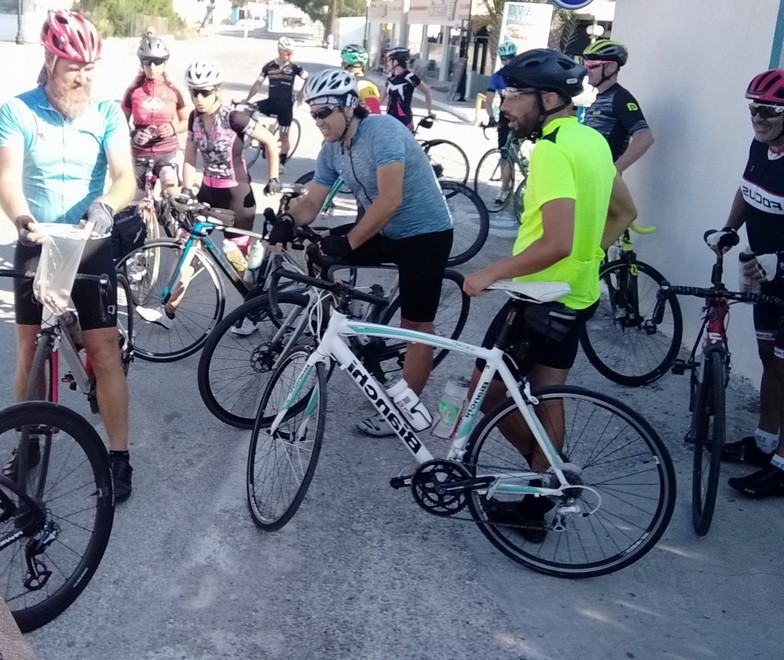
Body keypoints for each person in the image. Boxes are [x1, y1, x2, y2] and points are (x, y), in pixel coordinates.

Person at [462, 49, 637, 540]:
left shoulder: (552, 150)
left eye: (514, 95)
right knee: (545, 395)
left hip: (540, 298)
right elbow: (625, 212)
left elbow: (556, 241)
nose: (504, 106)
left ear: (550, 98)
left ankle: (549, 478)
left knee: (484, 397)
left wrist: (489, 273)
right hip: (576, 294)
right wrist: (588, 258)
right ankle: (541, 502)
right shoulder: (592, 140)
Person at [268, 68, 453, 436]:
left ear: (349, 107)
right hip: (385, 229)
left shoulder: (383, 132)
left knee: (416, 326)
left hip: (425, 234)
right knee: (317, 251)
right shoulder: (331, 149)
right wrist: (288, 220)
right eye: (313, 114)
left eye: (324, 112)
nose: (318, 121)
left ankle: (405, 412)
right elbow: (313, 203)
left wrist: (349, 241)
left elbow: (390, 199)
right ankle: (347, 325)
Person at [0, 10, 136, 501]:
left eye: (90, 68)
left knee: (103, 350)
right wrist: (21, 219)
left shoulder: (106, 113)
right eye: (74, 67)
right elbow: (7, 177)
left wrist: (106, 205)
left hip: (88, 241)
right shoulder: (18, 111)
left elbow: (125, 176)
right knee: (30, 350)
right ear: (51, 59)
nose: (83, 77)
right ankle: (30, 441)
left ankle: (118, 456)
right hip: (37, 239)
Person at [137, 58, 281, 331]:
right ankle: (168, 310)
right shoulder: (194, 118)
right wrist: (186, 188)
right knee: (188, 246)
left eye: (205, 92)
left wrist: (273, 177)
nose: (199, 99)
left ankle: (252, 310)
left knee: (236, 260)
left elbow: (270, 141)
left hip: (236, 196)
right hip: (207, 192)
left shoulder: (234, 118)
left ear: (217, 90)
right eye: (194, 92)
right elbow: (190, 156)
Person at [707, 69, 784, 499]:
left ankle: (783, 466)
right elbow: (747, 189)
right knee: (769, 358)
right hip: (765, 276)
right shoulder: (761, 146)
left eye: (770, 109)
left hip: (778, 270)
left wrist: (780, 259)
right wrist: (729, 229)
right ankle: (765, 442)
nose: (759, 116)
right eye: (754, 107)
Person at [121, 35, 188, 196]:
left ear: (165, 63)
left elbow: (187, 121)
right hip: (140, 154)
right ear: (141, 63)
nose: (152, 67)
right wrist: (134, 134)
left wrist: (173, 129)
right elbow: (120, 124)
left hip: (168, 154)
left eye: (157, 62)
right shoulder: (133, 91)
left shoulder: (174, 90)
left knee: (172, 194)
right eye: (147, 61)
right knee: (137, 201)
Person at [581, 39, 654, 173]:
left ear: (611, 67)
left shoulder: (621, 98)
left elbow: (645, 137)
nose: (587, 71)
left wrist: (614, 170)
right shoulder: (599, 97)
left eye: (593, 65)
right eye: (585, 64)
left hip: (603, 179)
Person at [241, 37, 308, 170]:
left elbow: (308, 78)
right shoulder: (269, 66)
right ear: (279, 51)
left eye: (292, 53)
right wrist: (247, 99)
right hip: (271, 102)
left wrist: (301, 93)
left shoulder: (295, 67)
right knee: (248, 110)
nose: (290, 55)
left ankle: (281, 162)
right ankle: (252, 135)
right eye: (287, 52)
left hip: (285, 106)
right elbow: (258, 84)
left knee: (284, 136)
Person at [484, 39, 518, 205]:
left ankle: (505, 190)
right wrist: (491, 117)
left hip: (511, 117)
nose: (507, 61)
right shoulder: (520, 75)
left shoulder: (498, 77)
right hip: (514, 117)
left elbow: (489, 102)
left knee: (507, 154)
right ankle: (506, 188)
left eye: (509, 58)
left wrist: (491, 117)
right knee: (508, 154)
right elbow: (489, 101)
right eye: (505, 58)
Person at [380, 46, 435, 131]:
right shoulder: (390, 78)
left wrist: (429, 111)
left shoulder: (409, 77)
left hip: (404, 121)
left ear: (396, 61)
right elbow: (381, 98)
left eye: (388, 60)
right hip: (390, 119)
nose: (387, 63)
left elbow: (427, 91)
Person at [340, 44, 381, 114]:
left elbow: (374, 113)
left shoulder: (363, 85)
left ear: (345, 63)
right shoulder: (369, 84)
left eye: (343, 60)